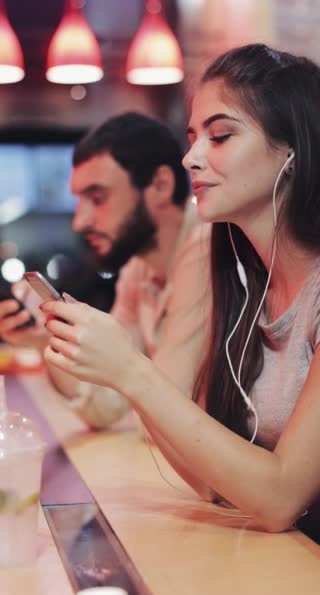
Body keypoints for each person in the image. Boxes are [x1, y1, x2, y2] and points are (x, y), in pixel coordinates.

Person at [41, 43, 320, 538]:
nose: (191, 157)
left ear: (292, 150)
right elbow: (213, 481)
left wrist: (131, 372)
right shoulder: (236, 273)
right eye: (193, 138)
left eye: (220, 135)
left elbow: (279, 498)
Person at [0, 112, 211, 428]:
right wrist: (45, 339)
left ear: (160, 185)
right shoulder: (138, 270)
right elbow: (105, 407)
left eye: (97, 198)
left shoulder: (208, 248)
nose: (79, 222)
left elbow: (167, 418)